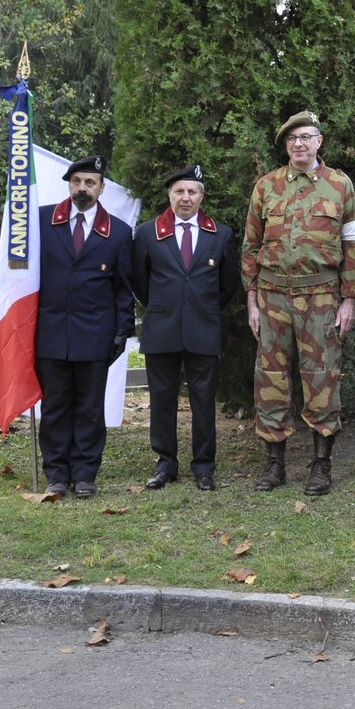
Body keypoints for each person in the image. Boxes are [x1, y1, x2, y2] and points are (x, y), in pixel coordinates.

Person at [242, 111, 355, 496]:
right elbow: (251, 245)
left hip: (322, 298)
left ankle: (320, 466)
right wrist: (251, 299)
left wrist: (349, 300)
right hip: (272, 295)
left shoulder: (340, 186)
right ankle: (274, 465)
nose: (298, 143)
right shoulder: (266, 186)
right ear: (286, 145)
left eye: (306, 137)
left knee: (322, 378)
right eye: (292, 138)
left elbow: (353, 246)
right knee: (271, 380)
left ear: (319, 142)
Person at [133, 165, 241, 492]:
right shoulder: (148, 233)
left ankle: (204, 466)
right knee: (162, 401)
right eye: (179, 191)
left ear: (202, 196)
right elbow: (139, 282)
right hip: (161, 330)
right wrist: (166, 307)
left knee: (204, 402)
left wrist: (202, 309)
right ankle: (165, 464)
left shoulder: (220, 234)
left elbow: (229, 285)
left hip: (203, 330)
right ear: (169, 195)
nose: (185, 197)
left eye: (192, 191)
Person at [35, 155, 135, 498]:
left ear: (102, 188)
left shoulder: (119, 232)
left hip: (95, 336)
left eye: (90, 183)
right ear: (69, 184)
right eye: (77, 181)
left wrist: (122, 332)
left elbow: (124, 289)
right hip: (49, 334)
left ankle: (85, 474)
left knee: (90, 408)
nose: (82, 188)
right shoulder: (41, 221)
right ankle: (57, 474)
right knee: (55, 406)